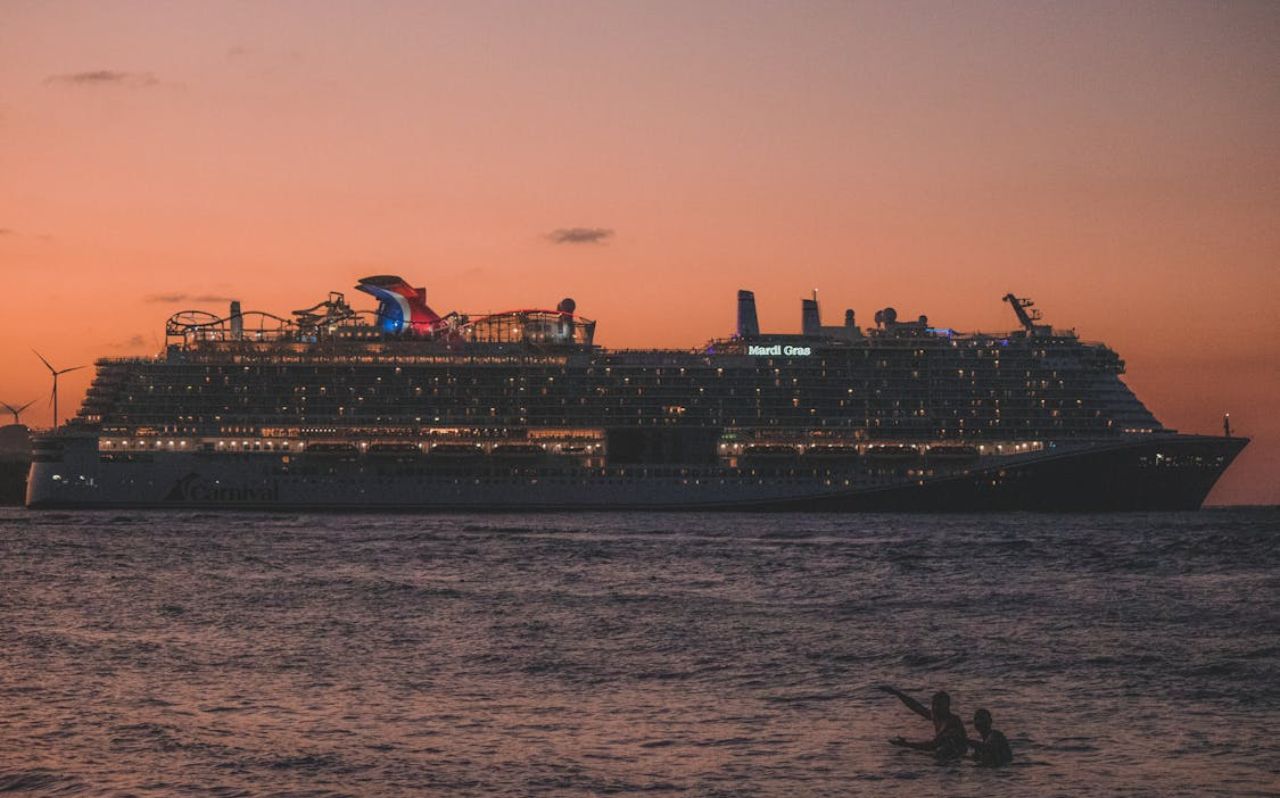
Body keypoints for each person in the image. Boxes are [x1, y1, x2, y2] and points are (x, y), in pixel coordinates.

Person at [879, 686, 968, 761]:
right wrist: (897, 694)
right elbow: (916, 707)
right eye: (934, 705)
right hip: (943, 753)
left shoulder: (952, 722)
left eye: (939, 705)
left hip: (955, 758)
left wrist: (906, 745)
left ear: (947, 706)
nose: (935, 708)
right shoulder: (937, 717)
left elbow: (932, 745)